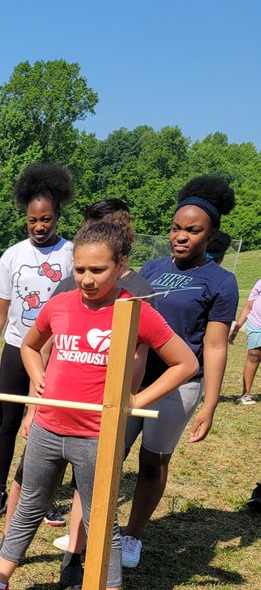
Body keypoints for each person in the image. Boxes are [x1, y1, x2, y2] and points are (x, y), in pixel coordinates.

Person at [0, 222, 198, 590]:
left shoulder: (136, 310)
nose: (88, 279)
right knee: (28, 508)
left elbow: (185, 363)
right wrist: (38, 380)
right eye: (80, 269)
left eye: (99, 270)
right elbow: (31, 346)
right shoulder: (62, 304)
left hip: (97, 437)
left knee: (100, 522)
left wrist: (135, 399)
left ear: (121, 267)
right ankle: (0, 583)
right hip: (50, 428)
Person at [0, 200, 153, 590]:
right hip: (52, 411)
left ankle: (74, 555)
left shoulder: (138, 292)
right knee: (29, 478)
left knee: (86, 492)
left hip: (95, 418)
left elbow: (139, 357)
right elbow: (42, 344)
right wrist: (33, 404)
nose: (88, 274)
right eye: (82, 261)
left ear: (121, 252)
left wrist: (128, 398)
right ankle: (8, 547)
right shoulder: (69, 285)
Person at [120, 176, 239, 568]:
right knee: (107, 454)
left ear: (211, 234)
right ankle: (91, 528)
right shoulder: (151, 268)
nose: (181, 236)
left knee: (153, 461)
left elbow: (216, 345)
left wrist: (210, 404)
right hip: (133, 378)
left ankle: (132, 536)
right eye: (176, 228)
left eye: (193, 230)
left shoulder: (221, 281)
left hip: (178, 386)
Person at [0, 163, 75, 520]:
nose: (39, 227)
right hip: (18, 350)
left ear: (57, 217)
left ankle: (40, 497)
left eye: (45, 219)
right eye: (32, 220)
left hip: (60, 355)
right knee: (8, 423)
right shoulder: (13, 255)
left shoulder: (71, 256)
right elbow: (0, 312)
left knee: (48, 428)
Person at [230, 277, 261, 405]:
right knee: (254, 355)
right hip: (256, 324)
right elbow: (248, 306)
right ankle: (245, 394)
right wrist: (236, 329)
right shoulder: (260, 282)